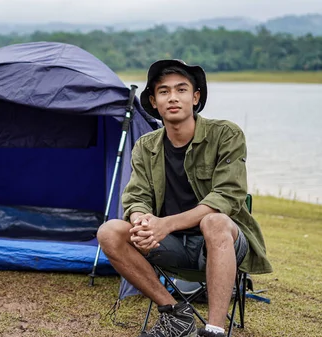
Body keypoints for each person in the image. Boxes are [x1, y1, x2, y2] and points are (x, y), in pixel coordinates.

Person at [97, 60, 272, 337]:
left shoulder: (226, 134)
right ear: (154, 102)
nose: (173, 97)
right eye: (164, 92)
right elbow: (136, 196)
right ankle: (175, 314)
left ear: (196, 96)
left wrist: (165, 224)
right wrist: (142, 222)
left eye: (181, 89)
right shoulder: (145, 146)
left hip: (220, 244)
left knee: (214, 221)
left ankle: (214, 329)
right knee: (109, 231)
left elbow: (227, 196)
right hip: (171, 248)